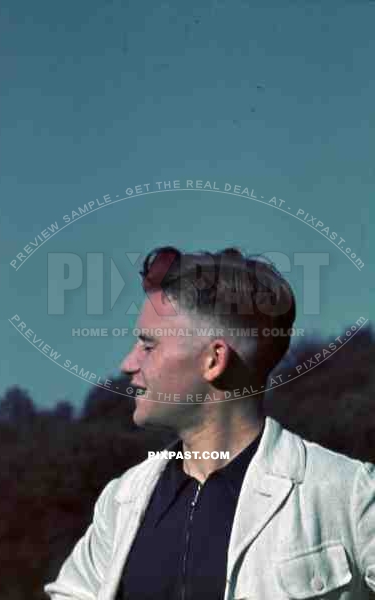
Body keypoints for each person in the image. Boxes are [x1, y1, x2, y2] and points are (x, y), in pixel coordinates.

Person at [44, 245, 375, 600]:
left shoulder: (346, 493)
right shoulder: (122, 501)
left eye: (148, 346)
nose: (128, 363)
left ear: (214, 360)